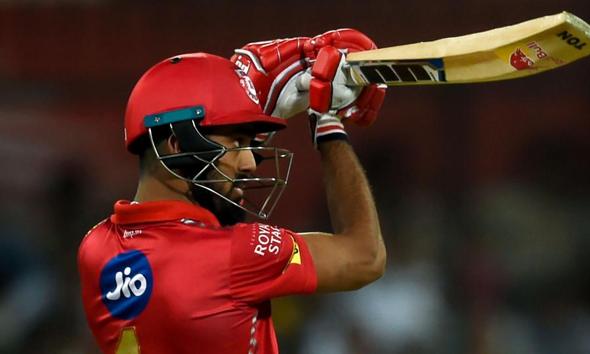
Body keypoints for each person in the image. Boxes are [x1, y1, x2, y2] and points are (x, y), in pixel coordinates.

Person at [78, 29, 387, 354]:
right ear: (178, 144)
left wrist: (237, 97)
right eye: (236, 143)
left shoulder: (96, 248)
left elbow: (181, 256)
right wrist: (327, 121)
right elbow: (366, 256)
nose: (250, 162)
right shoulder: (234, 255)